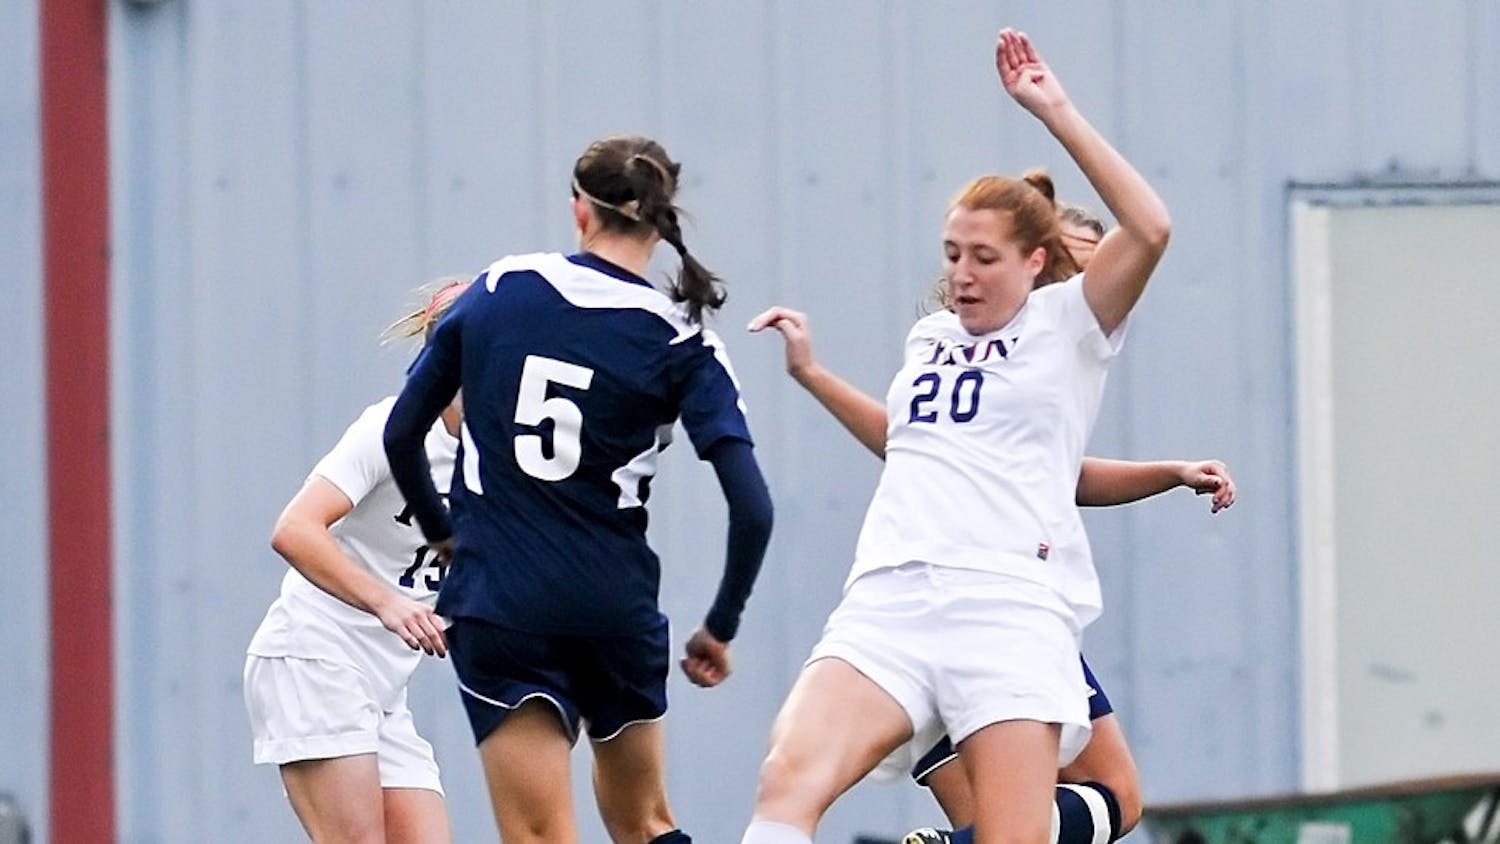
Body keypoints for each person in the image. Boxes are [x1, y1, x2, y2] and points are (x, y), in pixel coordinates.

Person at [736, 27, 1171, 844]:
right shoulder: (932, 337)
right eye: (952, 255)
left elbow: (1149, 228)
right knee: (786, 782)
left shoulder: (1068, 323)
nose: (962, 274)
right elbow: (912, 441)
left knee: (1018, 833)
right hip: (891, 591)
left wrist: (1055, 110)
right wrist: (810, 371)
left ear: (1038, 262)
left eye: (982, 258)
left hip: (1006, 603)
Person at [749, 208, 1233, 844]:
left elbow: (1053, 473)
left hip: (983, 604)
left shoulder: (1015, 352)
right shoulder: (978, 338)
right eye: (1079, 265)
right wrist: (813, 375)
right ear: (1038, 263)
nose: (1096, 283)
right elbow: (908, 440)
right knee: (1030, 815)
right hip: (975, 605)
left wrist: (1167, 472)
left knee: (1099, 801)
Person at [382, 134, 774, 844]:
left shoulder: (502, 288)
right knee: (646, 822)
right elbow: (753, 507)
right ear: (660, 223)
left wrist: (446, 534)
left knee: (538, 833)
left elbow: (402, 434)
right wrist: (720, 624)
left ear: (579, 212)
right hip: (612, 604)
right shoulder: (682, 337)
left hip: (502, 599)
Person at [243, 278, 471, 844]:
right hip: (314, 657)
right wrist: (387, 603)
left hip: (384, 686)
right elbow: (294, 529)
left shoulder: (503, 452)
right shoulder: (389, 429)